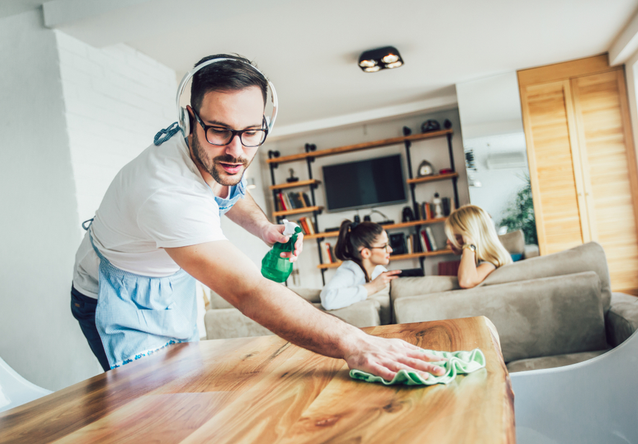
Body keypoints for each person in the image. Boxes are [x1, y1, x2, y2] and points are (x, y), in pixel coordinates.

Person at [70, 53, 445, 380]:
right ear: (189, 119)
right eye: (219, 130)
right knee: (153, 410)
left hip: (169, 282)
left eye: (251, 132)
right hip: (111, 293)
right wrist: (355, 341)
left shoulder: (222, 152)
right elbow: (250, 293)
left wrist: (264, 228)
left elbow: (230, 190)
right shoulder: (166, 193)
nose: (236, 150)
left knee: (185, 390)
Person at [321, 220, 400, 310]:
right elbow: (328, 299)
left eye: (388, 244)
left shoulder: (378, 270)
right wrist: (372, 287)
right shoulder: (349, 272)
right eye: (383, 246)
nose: (390, 250)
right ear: (366, 253)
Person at [444, 205, 512, 288]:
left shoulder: (490, 263)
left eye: (456, 238)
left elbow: (466, 281)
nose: (448, 241)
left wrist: (469, 244)